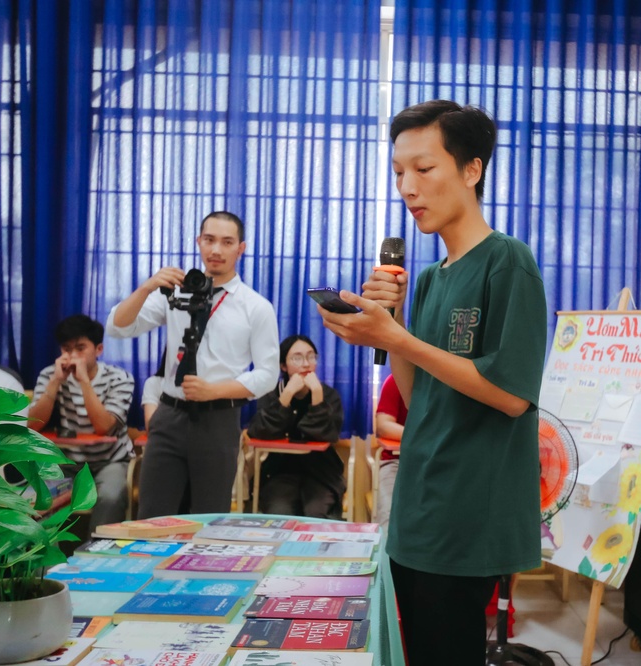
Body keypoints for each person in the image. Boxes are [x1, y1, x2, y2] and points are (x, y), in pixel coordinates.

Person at [317, 100, 548, 665]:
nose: (407, 187)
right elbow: (421, 397)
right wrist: (390, 327)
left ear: (471, 170)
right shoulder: (426, 280)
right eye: (399, 172)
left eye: (423, 168)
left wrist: (398, 337)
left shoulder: (507, 262)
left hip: (468, 509)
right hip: (419, 502)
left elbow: (510, 395)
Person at [105, 211, 280, 517]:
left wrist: (214, 391)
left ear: (241, 248)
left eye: (227, 242)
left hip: (218, 419)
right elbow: (118, 327)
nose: (216, 250)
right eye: (209, 240)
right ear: (198, 242)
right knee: (152, 516)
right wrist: (147, 287)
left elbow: (268, 374)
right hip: (169, 415)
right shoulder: (175, 292)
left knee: (208, 517)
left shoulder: (256, 307)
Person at [27, 314, 134, 530]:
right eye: (66, 349)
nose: (73, 356)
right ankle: (47, 552)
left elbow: (104, 427)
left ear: (99, 349)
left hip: (111, 460)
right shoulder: (50, 375)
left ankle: (97, 549)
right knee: (42, 499)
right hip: (65, 462)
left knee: (110, 497)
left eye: (80, 348)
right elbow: (33, 425)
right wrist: (55, 382)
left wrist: (84, 381)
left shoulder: (120, 378)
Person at [247, 334, 345, 518]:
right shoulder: (272, 393)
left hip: (321, 472)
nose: (306, 364)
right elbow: (259, 432)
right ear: (283, 366)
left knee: (316, 513)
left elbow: (327, 434)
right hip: (279, 470)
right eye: (297, 358)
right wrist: (287, 395)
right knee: (280, 513)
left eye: (311, 357)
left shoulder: (328, 394)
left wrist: (317, 396)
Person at [373, 373, 406, 529]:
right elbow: (383, 426)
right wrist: (424, 437)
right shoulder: (395, 380)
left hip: (437, 460)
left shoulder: (447, 383)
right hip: (395, 461)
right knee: (389, 514)